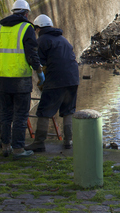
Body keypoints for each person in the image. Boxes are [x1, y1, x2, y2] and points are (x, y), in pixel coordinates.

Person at [0, 0, 44, 158]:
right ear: (26, 14)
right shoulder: (26, 28)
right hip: (20, 79)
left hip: (2, 79)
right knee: (20, 115)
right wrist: (39, 72)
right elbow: (32, 54)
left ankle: (6, 146)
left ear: (13, 12)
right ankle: (19, 148)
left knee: (6, 114)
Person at [27, 14, 80, 152]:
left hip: (56, 80)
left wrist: (42, 80)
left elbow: (39, 63)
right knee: (68, 110)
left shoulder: (42, 41)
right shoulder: (63, 39)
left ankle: (39, 142)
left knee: (44, 111)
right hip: (73, 79)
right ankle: (68, 141)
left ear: (38, 28)